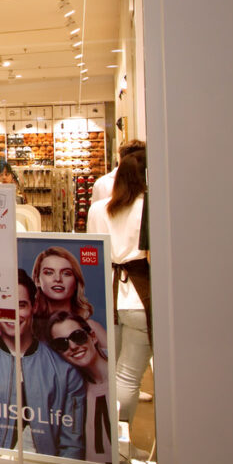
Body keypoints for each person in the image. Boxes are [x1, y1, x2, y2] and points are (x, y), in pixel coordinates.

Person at [0, 269, 85, 459]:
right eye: (5, 305)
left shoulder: (65, 370)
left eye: (21, 305)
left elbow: (72, 446)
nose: (13, 314)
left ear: (34, 306)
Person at [87, 150, 150, 427]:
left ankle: (106, 440)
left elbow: (91, 250)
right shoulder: (149, 206)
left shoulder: (98, 209)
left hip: (106, 293)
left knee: (107, 371)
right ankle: (122, 439)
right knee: (128, 375)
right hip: (139, 295)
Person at [46, 312, 112, 464]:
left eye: (78, 336)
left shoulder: (119, 377)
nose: (73, 346)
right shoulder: (73, 391)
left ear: (93, 337)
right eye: (62, 344)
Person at [31, 246, 107, 350]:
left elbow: (110, 359)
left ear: (76, 282)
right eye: (49, 272)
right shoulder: (28, 327)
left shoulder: (92, 328)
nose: (58, 279)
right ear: (37, 280)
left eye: (66, 273)